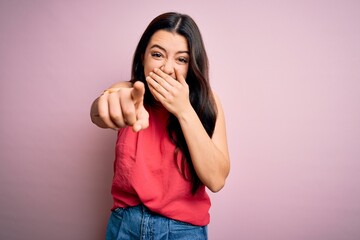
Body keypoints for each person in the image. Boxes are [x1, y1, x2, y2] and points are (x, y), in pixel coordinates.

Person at [90, 12, 230, 240]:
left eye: (181, 59)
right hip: (125, 225)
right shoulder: (129, 91)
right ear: (143, 57)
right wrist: (107, 104)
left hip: (183, 231)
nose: (166, 68)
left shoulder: (208, 103)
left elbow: (216, 180)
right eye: (157, 55)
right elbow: (99, 112)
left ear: (192, 65)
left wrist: (184, 110)